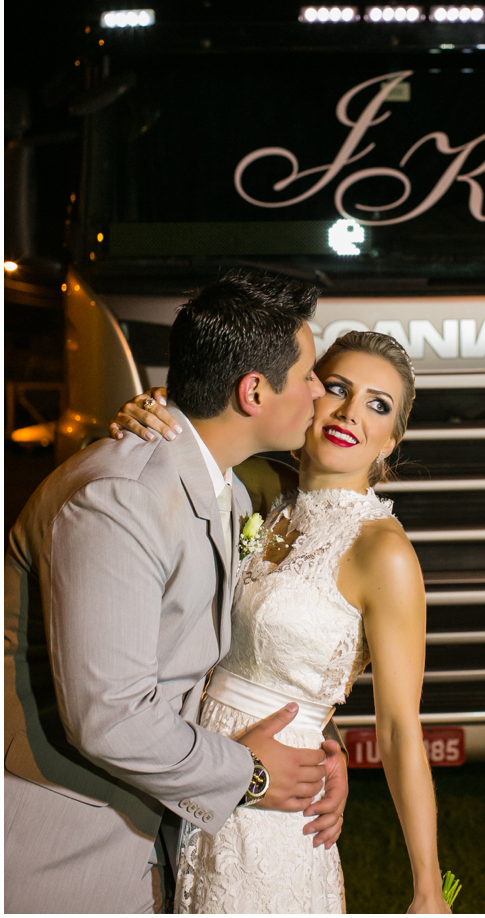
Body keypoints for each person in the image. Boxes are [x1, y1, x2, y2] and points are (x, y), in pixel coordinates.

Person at [4, 271, 348, 914]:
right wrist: (251, 775)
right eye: (307, 375)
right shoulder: (121, 499)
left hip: (160, 831)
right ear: (253, 391)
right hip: (63, 840)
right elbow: (110, 716)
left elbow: (231, 651)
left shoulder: (231, 490)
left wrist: (313, 750)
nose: (317, 391)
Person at [112, 330, 451, 915]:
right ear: (308, 394)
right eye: (338, 388)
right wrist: (150, 409)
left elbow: (399, 729)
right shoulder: (263, 492)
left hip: (274, 813)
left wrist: (427, 889)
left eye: (378, 405)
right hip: (193, 778)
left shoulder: (384, 554)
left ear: (391, 442)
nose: (350, 412)